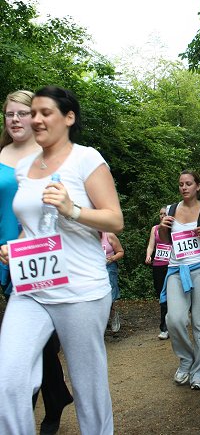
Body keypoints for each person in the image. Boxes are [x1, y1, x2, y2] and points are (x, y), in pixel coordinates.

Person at [0, 85, 124, 434]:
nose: (35, 119)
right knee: (9, 380)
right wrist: (16, 245)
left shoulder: (86, 158)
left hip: (80, 288)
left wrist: (72, 209)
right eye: (32, 112)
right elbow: (31, 225)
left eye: (45, 112)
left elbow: (115, 220)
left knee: (89, 389)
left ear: (68, 118)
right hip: (32, 286)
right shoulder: (25, 167)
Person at [0, 89, 73, 435]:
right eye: (9, 114)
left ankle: (31, 409)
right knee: (29, 339)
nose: (15, 119)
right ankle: (56, 394)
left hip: (40, 255)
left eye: (22, 113)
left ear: (36, 117)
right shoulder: (1, 154)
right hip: (4, 254)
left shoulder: (49, 156)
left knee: (33, 338)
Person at [159, 170, 200, 390]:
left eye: (188, 183)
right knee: (174, 319)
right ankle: (186, 360)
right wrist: (162, 228)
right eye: (181, 184)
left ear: (198, 186)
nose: (184, 187)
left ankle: (199, 372)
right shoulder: (170, 210)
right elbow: (167, 240)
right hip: (177, 268)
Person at [145, 207, 171, 339]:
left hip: (172, 266)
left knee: (171, 295)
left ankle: (165, 327)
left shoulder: (174, 228)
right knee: (162, 296)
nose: (162, 216)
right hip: (158, 265)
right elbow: (151, 245)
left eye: (164, 214)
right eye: (160, 214)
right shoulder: (155, 229)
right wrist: (148, 255)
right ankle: (167, 326)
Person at [102, 232, 124, 333]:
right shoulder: (87, 235)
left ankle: (113, 315)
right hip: (93, 268)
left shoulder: (109, 235)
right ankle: (101, 320)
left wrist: (112, 258)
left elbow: (120, 251)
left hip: (109, 266)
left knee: (110, 295)